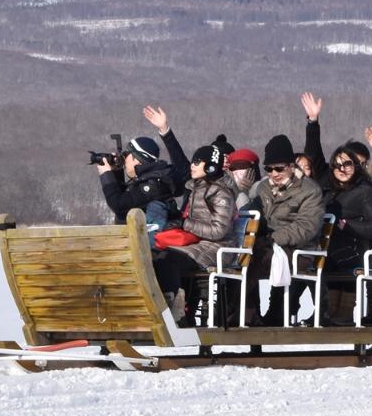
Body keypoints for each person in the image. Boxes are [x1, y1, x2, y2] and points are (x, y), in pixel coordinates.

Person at [150, 142, 236, 325]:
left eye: (197, 162)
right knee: (155, 256)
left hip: (218, 248)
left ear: (211, 166)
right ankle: (163, 309)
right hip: (198, 243)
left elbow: (219, 230)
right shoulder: (196, 188)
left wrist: (185, 223)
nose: (192, 165)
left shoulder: (221, 193)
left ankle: (176, 313)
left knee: (168, 260)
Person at [244, 134, 325, 326]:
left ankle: (245, 315)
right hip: (269, 246)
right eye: (269, 169)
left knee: (254, 258)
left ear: (291, 166)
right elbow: (255, 214)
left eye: (279, 168)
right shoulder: (263, 188)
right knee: (240, 256)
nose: (274, 173)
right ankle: (245, 311)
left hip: (300, 251)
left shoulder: (310, 190)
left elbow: (306, 227)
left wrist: (273, 238)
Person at [320, 143, 372, 324]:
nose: (342, 169)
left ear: (356, 166)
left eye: (347, 164)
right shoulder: (329, 191)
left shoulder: (366, 191)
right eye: (337, 165)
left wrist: (347, 225)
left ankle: (343, 313)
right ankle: (328, 311)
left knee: (334, 257)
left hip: (354, 249)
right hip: (330, 248)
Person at [96, 134, 177, 226]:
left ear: (137, 160)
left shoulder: (151, 186)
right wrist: (116, 171)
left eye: (126, 154)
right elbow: (125, 198)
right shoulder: (149, 179)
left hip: (144, 240)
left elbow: (119, 206)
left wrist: (106, 174)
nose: (124, 159)